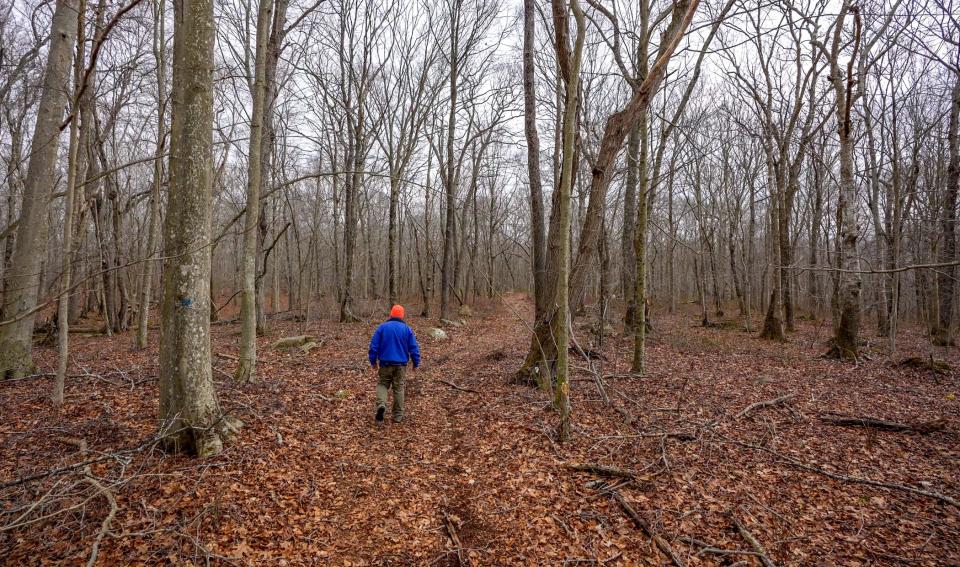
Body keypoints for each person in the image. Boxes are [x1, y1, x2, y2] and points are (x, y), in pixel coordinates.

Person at [368, 304, 420, 424]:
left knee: (383, 384)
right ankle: (397, 416)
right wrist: (416, 362)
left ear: (391, 314)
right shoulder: (407, 329)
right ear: (402, 316)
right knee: (398, 388)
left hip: (385, 363)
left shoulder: (382, 327)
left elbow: (373, 346)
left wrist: (373, 361)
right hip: (400, 365)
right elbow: (414, 347)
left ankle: (381, 405)